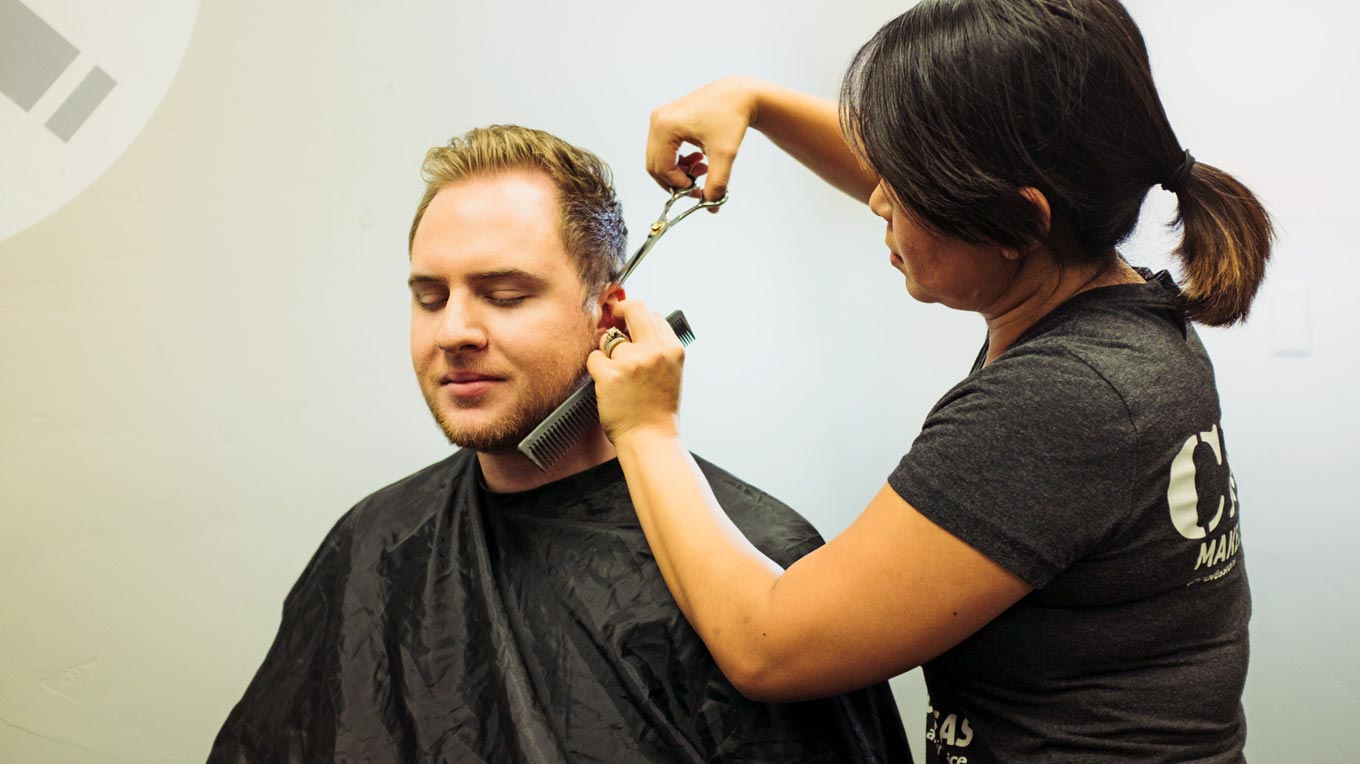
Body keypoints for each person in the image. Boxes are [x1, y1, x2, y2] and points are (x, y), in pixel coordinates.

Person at [587, 1, 1271, 762]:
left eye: (903, 183)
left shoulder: (1063, 401)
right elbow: (938, 202)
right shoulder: (1127, 316)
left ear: (1016, 222)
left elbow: (768, 646)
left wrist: (646, 430)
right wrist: (757, 102)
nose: (878, 196)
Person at [208, 125, 910, 763]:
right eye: (429, 297)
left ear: (609, 312)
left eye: (505, 294)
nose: (454, 331)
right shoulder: (371, 544)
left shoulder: (762, 572)